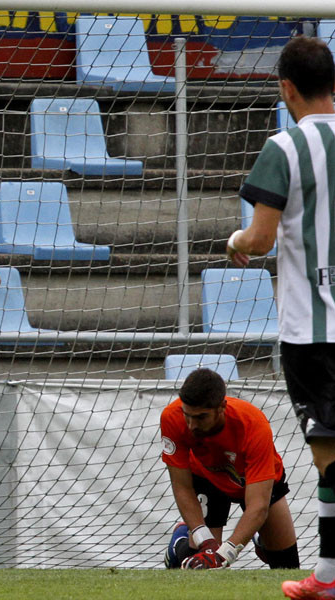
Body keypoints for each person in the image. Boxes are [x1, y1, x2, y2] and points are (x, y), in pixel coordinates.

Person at [225, 35, 335, 596]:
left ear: (286, 89)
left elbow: (261, 239)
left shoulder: (285, 147)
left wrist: (235, 239)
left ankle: (330, 578)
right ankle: (327, 576)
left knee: (329, 456)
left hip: (314, 330)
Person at [160, 368, 299, 571]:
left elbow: (258, 506)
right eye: (187, 415)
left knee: (287, 568)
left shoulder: (254, 425)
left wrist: (224, 554)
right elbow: (181, 487)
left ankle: (261, 540)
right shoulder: (172, 417)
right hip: (207, 478)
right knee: (199, 565)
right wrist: (203, 539)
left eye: (200, 417)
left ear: (221, 407)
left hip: (254, 484)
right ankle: (181, 543)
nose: (191, 425)